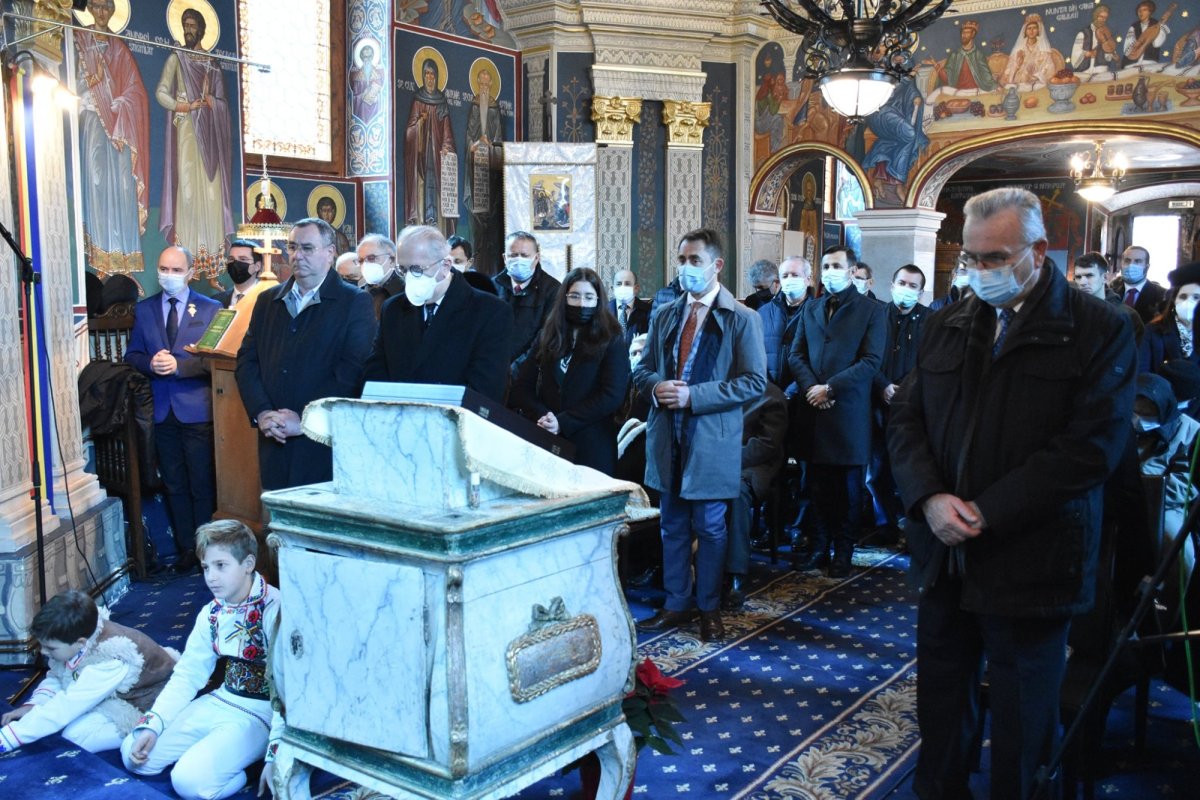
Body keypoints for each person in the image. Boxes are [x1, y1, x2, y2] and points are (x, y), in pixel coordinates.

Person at [887, 187, 1136, 800]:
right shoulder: (949, 320)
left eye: (996, 258)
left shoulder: (1098, 327)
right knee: (942, 710)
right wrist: (929, 499)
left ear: (1038, 251)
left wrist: (985, 512)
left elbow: (1090, 449)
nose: (980, 272)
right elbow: (907, 419)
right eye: (971, 259)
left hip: (1034, 558)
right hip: (945, 554)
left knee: (1025, 724)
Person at [633, 228, 767, 642]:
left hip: (710, 437)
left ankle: (709, 607)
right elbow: (642, 370)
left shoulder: (742, 318)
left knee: (710, 528)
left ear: (716, 265)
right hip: (667, 434)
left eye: (694, 260)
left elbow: (754, 383)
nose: (686, 268)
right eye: (681, 260)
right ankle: (677, 603)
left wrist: (696, 395)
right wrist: (656, 386)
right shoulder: (666, 312)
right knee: (671, 525)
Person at [122, 521, 281, 800]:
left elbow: (290, 689)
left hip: (262, 714)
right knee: (133, 753)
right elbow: (188, 674)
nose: (211, 577)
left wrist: (276, 753)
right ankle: (219, 757)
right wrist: (154, 724)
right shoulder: (211, 612)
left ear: (248, 564)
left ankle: (247, 770)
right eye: (206, 567)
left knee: (188, 783)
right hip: (222, 699)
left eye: (221, 565)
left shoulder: (275, 609)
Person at [235, 218, 376, 491]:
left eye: (307, 248)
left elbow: (352, 371)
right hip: (274, 436)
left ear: (330, 252)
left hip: (322, 442)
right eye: (292, 247)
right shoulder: (267, 301)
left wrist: (306, 418)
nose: (297, 255)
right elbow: (247, 362)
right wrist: (262, 412)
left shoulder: (354, 302)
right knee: (277, 526)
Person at [788, 245, 887, 577]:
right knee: (814, 487)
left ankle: (843, 551)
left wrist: (830, 388)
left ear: (851, 270)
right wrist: (811, 388)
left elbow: (871, 361)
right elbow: (796, 354)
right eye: (825, 265)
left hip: (847, 412)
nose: (829, 271)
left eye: (836, 265)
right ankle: (818, 546)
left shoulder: (871, 311)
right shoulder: (812, 308)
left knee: (847, 490)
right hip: (813, 411)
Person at [125, 246, 221, 573]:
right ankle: (185, 549)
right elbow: (132, 355)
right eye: (164, 268)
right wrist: (150, 363)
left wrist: (179, 367)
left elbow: (213, 360)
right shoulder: (145, 310)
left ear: (191, 272)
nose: (169, 275)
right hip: (162, 412)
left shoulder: (211, 308)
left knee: (202, 483)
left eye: (176, 269)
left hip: (198, 412)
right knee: (175, 484)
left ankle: (208, 551)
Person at [0, 591, 176, 754]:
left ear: (80, 643)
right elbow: (58, 676)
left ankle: (154, 731)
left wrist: (8, 738)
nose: (43, 652)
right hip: (113, 696)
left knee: (75, 737)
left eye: (50, 648)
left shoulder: (110, 658)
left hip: (144, 705)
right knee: (63, 724)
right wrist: (34, 705)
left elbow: (67, 706)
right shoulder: (76, 635)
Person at [363, 225, 513, 403]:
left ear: (445, 265)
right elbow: (375, 371)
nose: (410, 277)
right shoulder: (392, 308)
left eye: (417, 269)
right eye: (403, 270)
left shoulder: (490, 312)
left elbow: (485, 389)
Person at [511, 267, 629, 474]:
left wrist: (563, 422)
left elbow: (612, 394)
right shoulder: (547, 334)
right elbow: (522, 386)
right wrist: (545, 417)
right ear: (564, 298)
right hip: (546, 439)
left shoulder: (612, 337)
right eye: (574, 296)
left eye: (588, 297)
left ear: (598, 300)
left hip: (592, 443)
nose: (581, 303)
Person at [74, 0, 150, 275]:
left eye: (107, 7)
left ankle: (125, 267)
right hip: (94, 124)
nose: (102, 12)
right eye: (96, 6)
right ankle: (101, 262)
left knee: (123, 186)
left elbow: (136, 92)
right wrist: (85, 94)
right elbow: (68, 82)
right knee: (97, 183)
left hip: (120, 129)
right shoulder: (79, 40)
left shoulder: (120, 49)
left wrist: (119, 103)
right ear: (90, 9)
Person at [155, 7, 234, 270]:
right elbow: (162, 93)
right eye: (185, 25)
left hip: (211, 136)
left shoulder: (213, 65)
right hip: (187, 134)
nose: (188, 30)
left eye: (192, 26)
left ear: (201, 29)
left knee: (212, 197)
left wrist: (210, 101)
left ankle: (212, 266)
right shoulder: (176, 59)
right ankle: (185, 264)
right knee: (187, 194)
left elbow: (223, 102)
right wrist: (185, 106)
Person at [867, 265, 929, 541]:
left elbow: (928, 361)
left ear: (920, 291)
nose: (906, 288)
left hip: (911, 406)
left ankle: (915, 531)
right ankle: (885, 526)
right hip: (877, 400)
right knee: (876, 470)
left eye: (912, 285)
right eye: (901, 282)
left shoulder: (930, 320)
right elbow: (866, 355)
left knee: (910, 470)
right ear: (892, 285)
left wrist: (904, 389)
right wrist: (883, 384)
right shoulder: (876, 315)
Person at [725, 383, 787, 611]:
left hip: (752, 465)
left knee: (736, 494)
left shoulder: (772, 396)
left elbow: (765, 446)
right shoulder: (720, 387)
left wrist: (724, 458)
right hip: (715, 458)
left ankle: (735, 575)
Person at [493, 231, 560, 380]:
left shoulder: (553, 289)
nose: (518, 260)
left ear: (536, 258)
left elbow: (546, 337)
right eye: (513, 255)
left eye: (524, 256)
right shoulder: (493, 286)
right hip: (493, 371)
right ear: (505, 258)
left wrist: (515, 369)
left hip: (530, 374)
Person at [404, 57, 457, 236]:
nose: (429, 78)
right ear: (422, 76)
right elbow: (409, 132)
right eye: (426, 74)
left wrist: (446, 146)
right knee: (424, 183)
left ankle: (436, 220)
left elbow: (447, 130)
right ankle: (425, 218)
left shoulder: (441, 101)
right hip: (422, 154)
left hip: (437, 155)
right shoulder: (418, 100)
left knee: (435, 184)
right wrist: (420, 123)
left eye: (432, 74)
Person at [465, 64, 503, 275]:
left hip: (491, 165)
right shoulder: (474, 103)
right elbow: (470, 131)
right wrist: (473, 143)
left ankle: (491, 264)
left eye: (487, 80)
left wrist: (492, 144)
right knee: (478, 214)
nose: (484, 83)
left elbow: (499, 135)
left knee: (492, 209)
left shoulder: (495, 105)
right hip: (475, 164)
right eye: (481, 79)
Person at [759, 255, 811, 393]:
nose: (789, 279)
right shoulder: (763, 313)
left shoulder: (818, 312)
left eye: (795, 275)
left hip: (804, 393)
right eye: (785, 276)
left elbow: (817, 359)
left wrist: (792, 392)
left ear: (807, 279)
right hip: (768, 394)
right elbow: (755, 354)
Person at [1140, 262, 1200, 372]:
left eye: (1196, 297)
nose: (1188, 303)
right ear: (1174, 300)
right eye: (1183, 297)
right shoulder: (1153, 331)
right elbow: (1142, 373)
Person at [926, 20, 999, 92]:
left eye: (966, 33)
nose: (963, 35)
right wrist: (935, 64)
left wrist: (994, 85)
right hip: (956, 92)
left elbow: (986, 76)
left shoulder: (978, 55)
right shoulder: (954, 55)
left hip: (975, 92)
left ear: (973, 34)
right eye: (962, 33)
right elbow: (947, 79)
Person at [1000, 13, 1057, 86]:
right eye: (1029, 28)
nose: (1031, 31)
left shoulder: (1043, 49)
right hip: (1020, 83)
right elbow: (1008, 72)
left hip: (1037, 84)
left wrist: (1036, 76)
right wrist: (1017, 65)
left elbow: (1050, 70)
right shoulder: (1019, 49)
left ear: (1038, 30)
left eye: (1034, 28)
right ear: (1025, 31)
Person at [356, 233, 405, 318]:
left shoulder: (406, 293)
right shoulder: (359, 295)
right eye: (361, 261)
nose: (365, 264)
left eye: (371, 258)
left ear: (391, 259)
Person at [1120, 245, 1168, 323]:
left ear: (1147, 267)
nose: (1131, 265)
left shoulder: (1162, 295)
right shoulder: (1111, 291)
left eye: (1137, 261)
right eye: (1127, 261)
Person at [1071, 4, 1120, 74]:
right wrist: (1087, 53)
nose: (1103, 20)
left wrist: (1112, 55)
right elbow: (1075, 53)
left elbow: (1107, 54)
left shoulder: (1106, 33)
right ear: (1095, 16)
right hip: (1086, 70)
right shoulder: (1083, 33)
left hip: (1101, 70)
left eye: (1105, 18)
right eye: (1101, 17)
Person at [610, 269, 652, 346]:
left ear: (636, 288)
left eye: (627, 284)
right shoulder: (602, 311)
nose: (622, 287)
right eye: (619, 284)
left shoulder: (648, 311)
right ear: (613, 289)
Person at [216, 239, 263, 308]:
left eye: (243, 259)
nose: (235, 264)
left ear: (257, 266)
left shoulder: (268, 300)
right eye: (231, 259)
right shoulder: (217, 300)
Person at [1124, 1, 1171, 67]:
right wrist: (1134, 49)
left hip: (1149, 61)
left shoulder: (1157, 24)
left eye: (1144, 10)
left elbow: (1157, 44)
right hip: (1133, 62)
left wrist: (1159, 29)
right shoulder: (1134, 26)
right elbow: (1127, 46)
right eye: (1139, 10)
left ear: (1150, 12)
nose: (1141, 12)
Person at [349, 41, 383, 122]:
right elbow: (355, 96)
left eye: (369, 59)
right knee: (364, 105)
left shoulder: (377, 74)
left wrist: (375, 96)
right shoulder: (357, 76)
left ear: (372, 58)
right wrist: (363, 95)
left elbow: (380, 91)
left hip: (374, 104)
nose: (367, 61)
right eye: (365, 59)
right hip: (362, 105)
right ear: (362, 59)